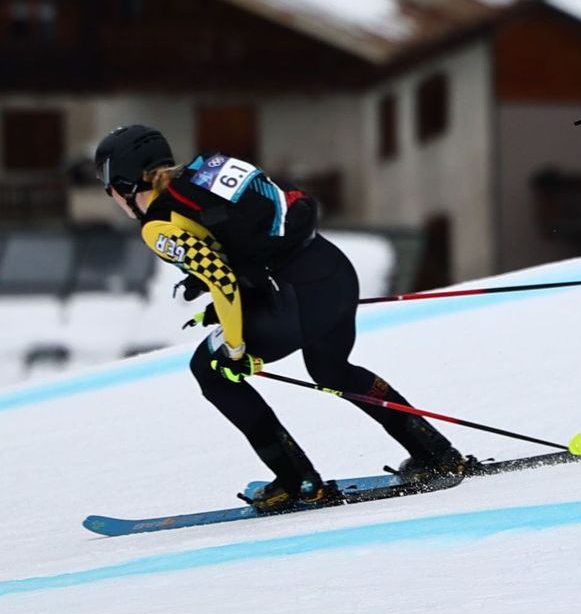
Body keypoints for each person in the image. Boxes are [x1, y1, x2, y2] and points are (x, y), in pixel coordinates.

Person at [94, 124, 467, 511]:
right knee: (332, 370)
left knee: (211, 370)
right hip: (334, 273)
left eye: (109, 189)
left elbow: (221, 279)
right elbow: (248, 238)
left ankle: (298, 483)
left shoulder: (157, 224)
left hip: (296, 300)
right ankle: (437, 453)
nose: (113, 199)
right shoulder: (204, 173)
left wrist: (234, 349)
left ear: (124, 185)